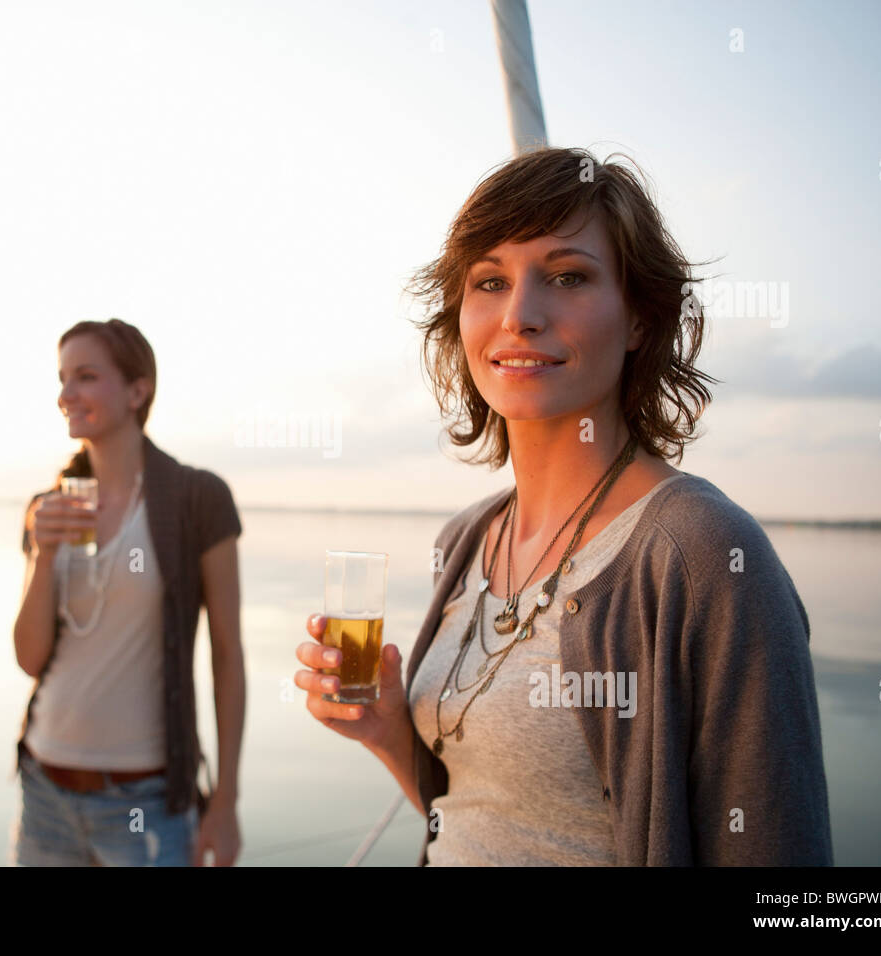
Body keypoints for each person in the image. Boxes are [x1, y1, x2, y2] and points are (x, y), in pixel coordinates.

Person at [296, 147, 833, 866]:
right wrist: (389, 728)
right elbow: (475, 819)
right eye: (490, 281)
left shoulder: (701, 554)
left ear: (640, 318)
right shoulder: (467, 539)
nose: (520, 315)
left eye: (567, 276)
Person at [10, 318, 245, 866]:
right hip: (44, 787)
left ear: (138, 391)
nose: (66, 394)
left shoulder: (198, 499)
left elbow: (228, 656)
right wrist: (44, 553)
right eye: (63, 378)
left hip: (148, 800)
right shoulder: (47, 506)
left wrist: (226, 801)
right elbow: (28, 657)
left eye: (86, 377)